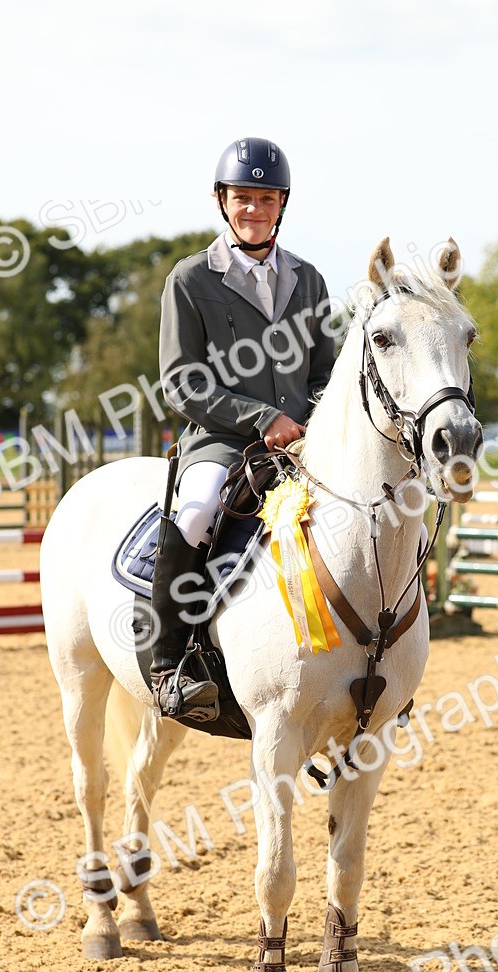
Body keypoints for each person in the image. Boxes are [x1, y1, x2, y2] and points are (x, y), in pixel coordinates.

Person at [151, 137, 337, 720]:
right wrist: (262, 418)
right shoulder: (190, 280)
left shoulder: (308, 280)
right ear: (221, 202)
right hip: (223, 442)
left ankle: (375, 665)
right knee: (199, 510)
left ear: (282, 204)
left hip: (303, 443)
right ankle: (168, 665)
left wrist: (314, 420)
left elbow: (325, 370)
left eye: (264, 198)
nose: (252, 209)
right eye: (241, 198)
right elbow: (181, 381)